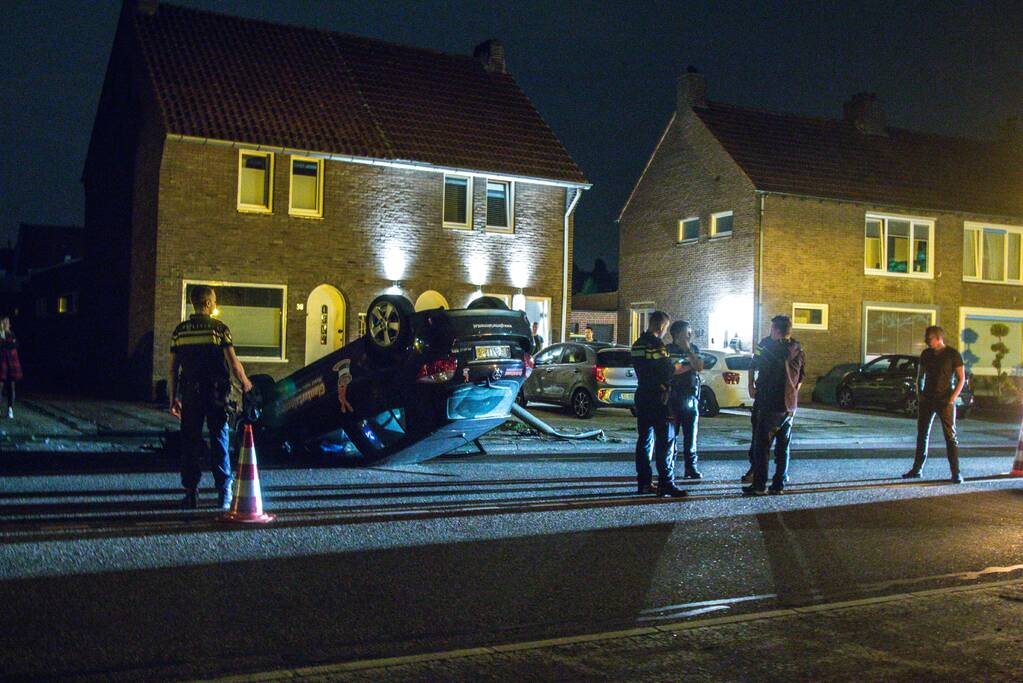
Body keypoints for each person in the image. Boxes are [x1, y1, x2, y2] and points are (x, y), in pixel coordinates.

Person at [169, 285, 253, 510]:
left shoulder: (180, 332)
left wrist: (172, 398)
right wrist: (246, 384)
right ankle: (224, 491)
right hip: (215, 393)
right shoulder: (219, 330)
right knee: (219, 439)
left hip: (190, 394)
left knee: (190, 442)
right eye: (214, 301)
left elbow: (173, 369)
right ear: (206, 303)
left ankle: (191, 492)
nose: (216, 305)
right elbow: (234, 364)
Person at [743, 315, 805, 496]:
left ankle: (759, 486)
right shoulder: (798, 349)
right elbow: (801, 378)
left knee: (762, 447)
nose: (770, 332)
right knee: (783, 447)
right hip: (789, 407)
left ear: (776, 330)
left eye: (772, 329)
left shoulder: (769, 348)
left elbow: (756, 366)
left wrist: (753, 386)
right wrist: (791, 393)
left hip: (770, 403)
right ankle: (778, 484)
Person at [632, 311, 688, 498]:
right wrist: (683, 366)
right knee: (665, 441)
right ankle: (667, 483)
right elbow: (667, 371)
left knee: (645, 441)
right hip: (659, 398)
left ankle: (644, 483)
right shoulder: (657, 345)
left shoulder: (637, 344)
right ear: (662, 326)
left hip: (642, 395)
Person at [902, 326, 965, 483]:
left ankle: (956, 473)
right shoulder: (926, 354)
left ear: (938, 338)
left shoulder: (952, 354)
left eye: (929, 338)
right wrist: (920, 394)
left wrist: (952, 398)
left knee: (950, 436)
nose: (926, 341)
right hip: (928, 400)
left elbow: (961, 378)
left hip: (945, 400)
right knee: (922, 434)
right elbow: (920, 376)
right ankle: (917, 469)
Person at [666, 320, 704, 479]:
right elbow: (672, 370)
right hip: (673, 397)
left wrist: (689, 352)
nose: (690, 334)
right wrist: (690, 366)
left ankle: (691, 467)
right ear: (678, 333)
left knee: (691, 435)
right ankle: (669, 467)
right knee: (670, 435)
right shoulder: (667, 349)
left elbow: (700, 366)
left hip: (691, 397)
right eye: (687, 332)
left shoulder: (693, 348)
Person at [0, 317, 22, 419]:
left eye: (7, 322)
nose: (7, 324)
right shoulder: (2, 335)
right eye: (5, 322)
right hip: (2, 364)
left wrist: (7, 343)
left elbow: (15, 345)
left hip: (11, 365)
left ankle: (10, 409)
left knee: (11, 388)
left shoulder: (11, 334)